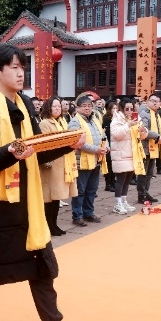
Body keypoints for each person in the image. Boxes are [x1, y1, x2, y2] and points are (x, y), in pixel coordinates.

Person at [0, 44, 91, 321]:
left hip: (28, 205)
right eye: (14, 67)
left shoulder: (24, 108)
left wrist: (67, 145)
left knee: (41, 266)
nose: (21, 72)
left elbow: (36, 150)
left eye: (23, 67)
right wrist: (11, 152)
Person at [37, 97, 78, 235]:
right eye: (54, 106)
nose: (57, 108)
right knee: (49, 198)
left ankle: (54, 224)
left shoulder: (61, 121)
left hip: (61, 163)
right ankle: (48, 226)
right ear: (48, 108)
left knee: (57, 197)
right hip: (51, 165)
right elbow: (44, 144)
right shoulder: (44, 123)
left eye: (59, 106)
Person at [68, 95, 109, 226]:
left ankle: (88, 213)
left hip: (96, 159)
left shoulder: (94, 119)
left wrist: (106, 147)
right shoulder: (75, 122)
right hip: (81, 161)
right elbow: (78, 142)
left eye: (89, 106)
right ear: (77, 108)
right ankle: (77, 215)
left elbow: (103, 135)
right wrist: (96, 149)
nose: (87, 108)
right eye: (84, 106)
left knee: (92, 189)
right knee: (80, 190)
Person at [109, 99, 147, 215]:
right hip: (121, 153)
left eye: (132, 108)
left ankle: (124, 201)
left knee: (127, 180)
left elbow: (142, 136)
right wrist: (128, 125)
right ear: (121, 108)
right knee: (120, 180)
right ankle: (117, 203)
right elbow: (117, 135)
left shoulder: (135, 118)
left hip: (133, 153)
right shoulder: (116, 119)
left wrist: (143, 131)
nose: (130, 111)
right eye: (127, 109)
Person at [136, 94, 161, 203]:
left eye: (157, 101)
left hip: (153, 147)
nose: (155, 103)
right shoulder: (144, 114)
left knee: (149, 173)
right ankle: (141, 195)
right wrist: (157, 136)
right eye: (152, 101)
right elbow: (144, 130)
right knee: (143, 173)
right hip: (145, 147)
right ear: (148, 101)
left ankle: (146, 193)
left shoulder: (156, 114)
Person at [101, 101, 116, 193]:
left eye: (116, 108)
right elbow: (106, 133)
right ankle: (108, 184)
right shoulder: (106, 119)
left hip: (115, 144)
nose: (115, 110)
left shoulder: (117, 118)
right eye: (113, 108)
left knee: (114, 165)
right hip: (108, 144)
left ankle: (113, 182)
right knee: (109, 165)